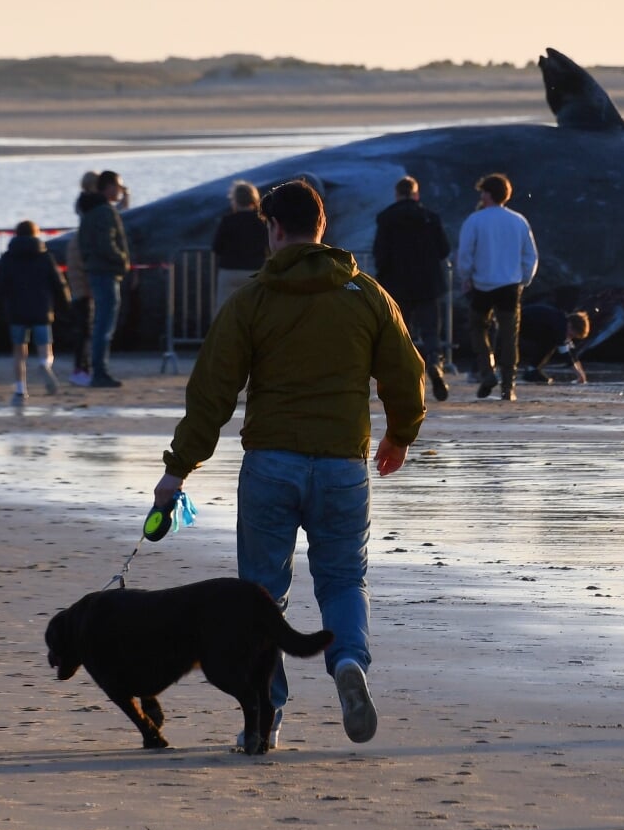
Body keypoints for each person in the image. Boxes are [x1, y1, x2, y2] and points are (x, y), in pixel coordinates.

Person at [153, 180, 425, 748]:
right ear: (321, 227)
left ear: (274, 229)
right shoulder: (365, 293)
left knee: (260, 595)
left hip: (271, 464)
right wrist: (400, 433)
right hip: (342, 465)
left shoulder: (253, 299)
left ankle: (267, 716)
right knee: (345, 578)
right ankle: (348, 662)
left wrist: (178, 470)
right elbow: (405, 372)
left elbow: (212, 393)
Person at [454, 172, 537, 401]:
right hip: (510, 286)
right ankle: (508, 387)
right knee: (509, 335)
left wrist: (466, 277)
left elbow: (465, 253)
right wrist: (525, 279)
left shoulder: (475, 220)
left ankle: (487, 372)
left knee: (478, 329)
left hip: (481, 286)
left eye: (483, 192)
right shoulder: (519, 220)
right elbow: (530, 255)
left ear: (488, 194)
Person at [372, 175, 452, 401]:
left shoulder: (386, 218)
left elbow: (381, 253)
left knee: (401, 332)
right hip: (428, 283)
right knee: (430, 331)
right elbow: (443, 250)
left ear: (397, 194)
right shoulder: (430, 217)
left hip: (397, 284)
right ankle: (435, 363)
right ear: (416, 194)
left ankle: (406, 377)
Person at [0, 220, 71, 405]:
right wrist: (66, 303)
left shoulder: (8, 258)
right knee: (46, 347)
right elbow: (57, 283)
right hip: (41, 309)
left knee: (19, 351)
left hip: (16, 311)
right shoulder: (45, 257)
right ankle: (45, 365)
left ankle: (21, 390)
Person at [78, 170, 131, 388]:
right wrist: (122, 260)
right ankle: (100, 371)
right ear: (108, 187)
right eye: (118, 186)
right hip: (105, 271)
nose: (120, 190)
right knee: (104, 324)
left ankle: (98, 368)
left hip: (96, 270)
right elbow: (106, 242)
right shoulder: (103, 211)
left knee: (101, 321)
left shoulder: (90, 209)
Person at [63, 173, 102, 386]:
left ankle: (82, 366)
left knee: (84, 325)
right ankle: (82, 367)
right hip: (84, 280)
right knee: (86, 325)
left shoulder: (78, 236)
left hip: (79, 277)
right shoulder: (93, 211)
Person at [211, 180, 269, 308]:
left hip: (230, 271)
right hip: (256, 271)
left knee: (225, 312)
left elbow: (217, 247)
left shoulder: (227, 221)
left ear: (235, 200)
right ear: (254, 199)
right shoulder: (262, 222)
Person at [518, 304, 590, 385]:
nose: (570, 338)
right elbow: (565, 354)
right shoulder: (560, 327)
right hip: (524, 322)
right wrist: (578, 374)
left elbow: (572, 352)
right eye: (572, 335)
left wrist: (581, 372)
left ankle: (532, 369)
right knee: (552, 343)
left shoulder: (562, 321)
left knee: (550, 342)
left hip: (529, 322)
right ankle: (532, 369)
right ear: (570, 325)